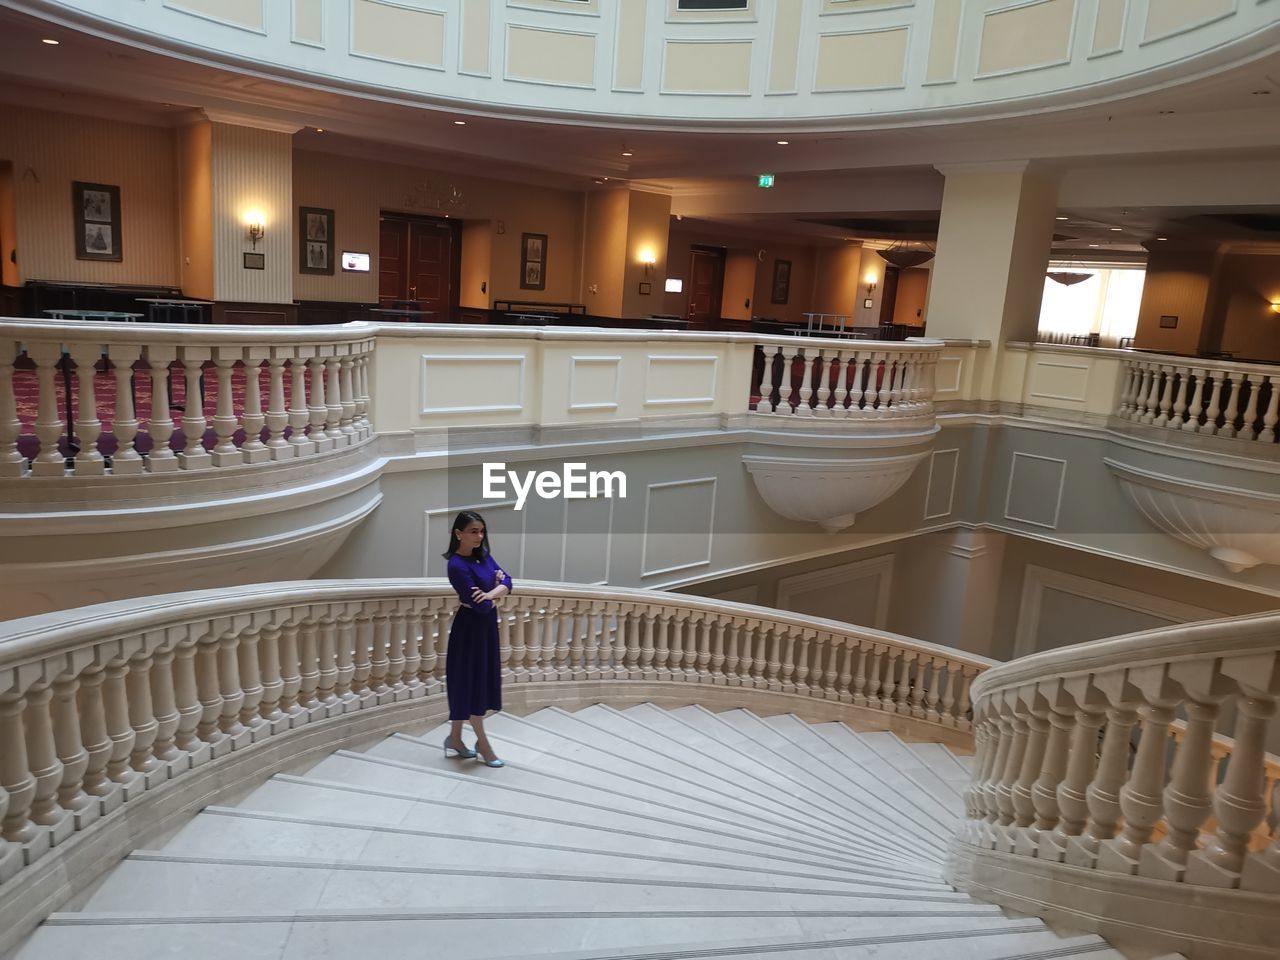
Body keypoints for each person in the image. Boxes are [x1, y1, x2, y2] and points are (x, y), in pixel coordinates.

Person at [442, 510, 511, 767]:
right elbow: (479, 605)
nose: (479, 536)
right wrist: (497, 590)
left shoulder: (484, 557)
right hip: (470, 628)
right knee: (472, 685)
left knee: (472, 682)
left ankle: (455, 738)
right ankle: (482, 743)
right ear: (458, 534)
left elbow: (510, 581)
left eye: (481, 531)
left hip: (485, 629)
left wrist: (492, 593)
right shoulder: (457, 565)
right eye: (473, 531)